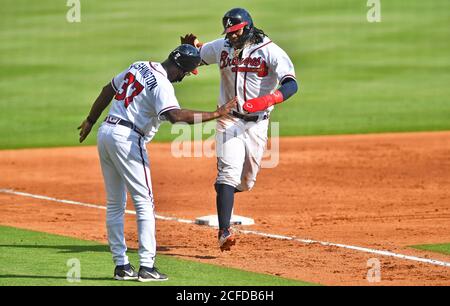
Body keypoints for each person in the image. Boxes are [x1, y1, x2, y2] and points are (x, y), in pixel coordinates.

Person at [78, 44, 237, 281]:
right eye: (186, 73)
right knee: (144, 203)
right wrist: (216, 114)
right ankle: (146, 266)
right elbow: (175, 116)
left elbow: (107, 89)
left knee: (114, 204)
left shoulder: (139, 65)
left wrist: (91, 119)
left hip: (106, 133)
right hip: (128, 140)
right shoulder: (163, 85)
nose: (184, 78)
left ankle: (121, 266)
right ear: (181, 69)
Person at [181, 8, 298, 251]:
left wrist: (267, 100)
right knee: (228, 174)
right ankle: (224, 232)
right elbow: (195, 58)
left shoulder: (269, 50)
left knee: (246, 182)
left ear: (248, 27)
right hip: (228, 119)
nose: (231, 37)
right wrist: (190, 53)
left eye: (236, 32)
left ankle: (224, 191)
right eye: (229, 33)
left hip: (258, 122)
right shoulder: (222, 46)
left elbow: (291, 84)